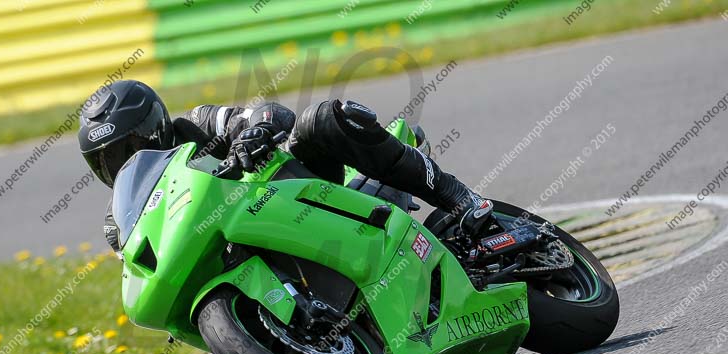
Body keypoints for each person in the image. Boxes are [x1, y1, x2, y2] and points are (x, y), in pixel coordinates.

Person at [77, 80, 492, 253]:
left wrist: (252, 137)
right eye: (107, 160)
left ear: (154, 126)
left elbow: (268, 113)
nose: (123, 163)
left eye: (128, 147)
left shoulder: (199, 124)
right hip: (256, 250)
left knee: (324, 119)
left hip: (305, 191)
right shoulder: (123, 220)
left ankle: (459, 197)